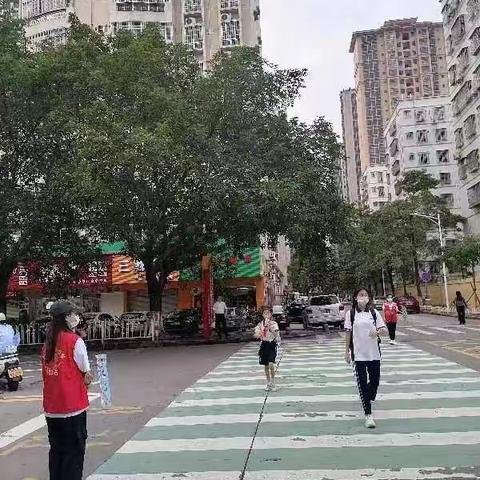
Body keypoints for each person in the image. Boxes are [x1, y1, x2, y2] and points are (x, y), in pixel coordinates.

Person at [42, 300, 94, 480]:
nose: (77, 317)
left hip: (52, 409)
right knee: (74, 453)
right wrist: (88, 380)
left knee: (57, 452)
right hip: (72, 407)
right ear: (66, 318)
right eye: (74, 314)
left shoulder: (48, 342)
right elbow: (86, 373)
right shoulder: (75, 341)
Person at [344, 288, 387, 429]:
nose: (363, 297)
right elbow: (348, 334)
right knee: (362, 385)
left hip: (374, 353)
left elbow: (383, 330)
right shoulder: (350, 314)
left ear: (369, 298)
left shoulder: (373, 313)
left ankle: (369, 396)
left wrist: (378, 332)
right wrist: (346, 352)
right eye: (360, 295)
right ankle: (368, 415)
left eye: (366, 295)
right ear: (355, 297)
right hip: (359, 355)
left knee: (375, 382)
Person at [254, 305, 281, 392]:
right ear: (262, 315)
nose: (266, 315)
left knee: (271, 364)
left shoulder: (274, 323)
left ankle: (273, 382)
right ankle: (268, 382)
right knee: (265, 365)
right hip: (264, 344)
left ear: (271, 314)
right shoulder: (260, 324)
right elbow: (256, 334)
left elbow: (276, 334)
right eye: (265, 313)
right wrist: (259, 334)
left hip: (271, 344)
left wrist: (270, 327)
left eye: (268, 313)